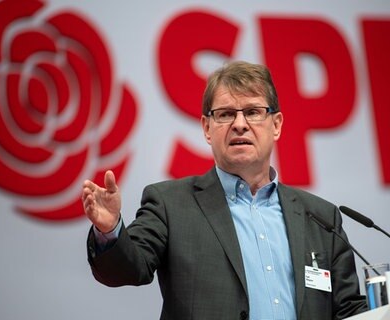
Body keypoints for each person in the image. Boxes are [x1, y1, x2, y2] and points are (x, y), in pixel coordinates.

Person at [83, 61, 367, 319]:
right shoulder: (171, 204)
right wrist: (110, 231)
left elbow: (349, 310)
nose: (240, 125)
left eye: (254, 112)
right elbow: (129, 268)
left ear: (276, 125)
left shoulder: (320, 217)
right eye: (226, 114)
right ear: (207, 128)